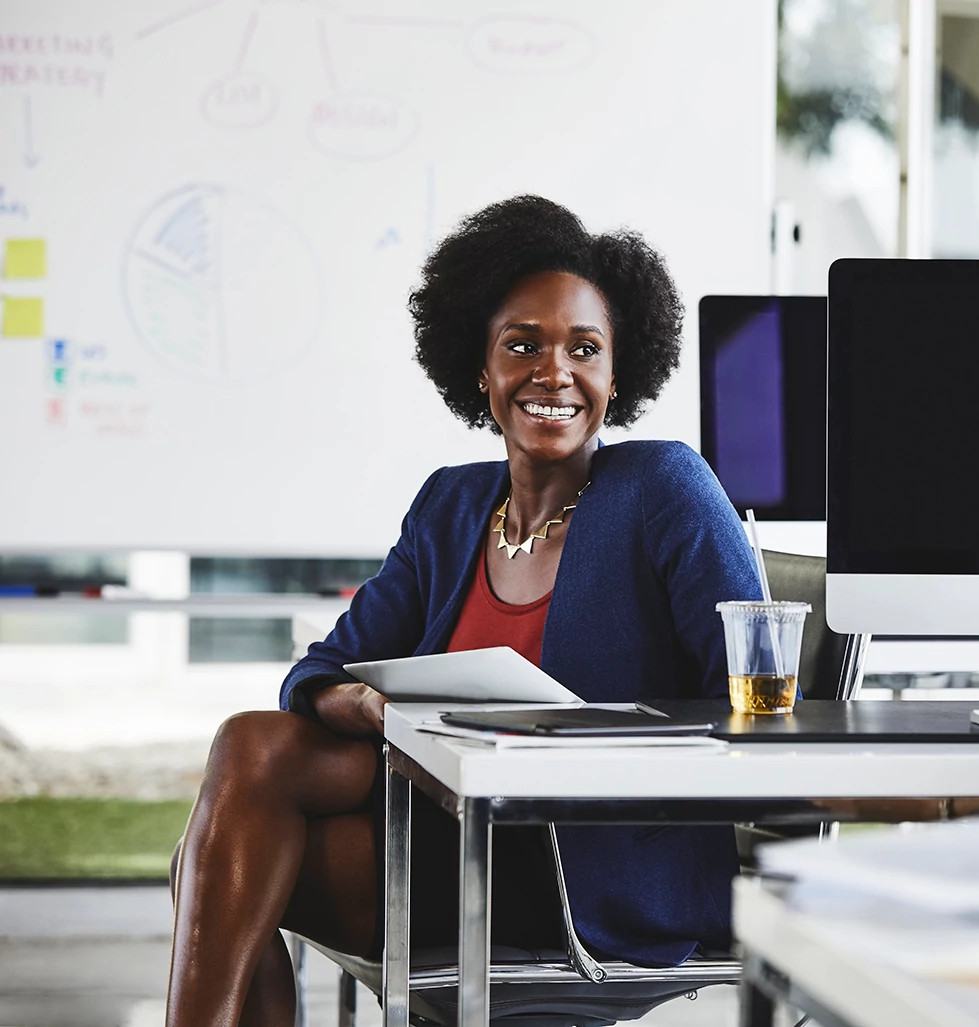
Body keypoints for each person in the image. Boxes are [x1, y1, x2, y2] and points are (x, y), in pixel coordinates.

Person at [165, 196, 761, 1026]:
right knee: (250, 752)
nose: (554, 372)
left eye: (583, 349)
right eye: (523, 345)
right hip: (449, 825)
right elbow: (319, 671)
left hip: (591, 862)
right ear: (481, 369)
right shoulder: (451, 506)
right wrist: (370, 707)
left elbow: (750, 696)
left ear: (618, 374)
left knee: (217, 864)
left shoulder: (664, 488)